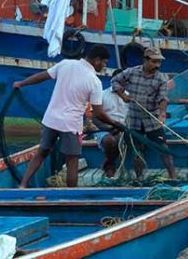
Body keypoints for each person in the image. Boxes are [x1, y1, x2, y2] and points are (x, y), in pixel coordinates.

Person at [13, 45, 118, 188]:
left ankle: (23, 185)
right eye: (104, 62)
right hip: (71, 125)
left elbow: (42, 76)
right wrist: (114, 124)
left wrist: (21, 83)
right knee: (72, 161)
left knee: (42, 152)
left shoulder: (65, 64)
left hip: (51, 119)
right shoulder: (95, 82)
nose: (104, 66)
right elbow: (98, 112)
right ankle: (70, 195)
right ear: (97, 60)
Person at [111, 47, 177, 180]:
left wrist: (162, 113)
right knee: (136, 152)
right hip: (134, 119)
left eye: (159, 62)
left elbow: (163, 98)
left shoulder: (161, 78)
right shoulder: (131, 72)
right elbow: (115, 81)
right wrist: (123, 95)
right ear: (145, 60)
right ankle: (139, 178)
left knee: (164, 149)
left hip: (152, 120)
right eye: (154, 62)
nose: (157, 65)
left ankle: (173, 177)